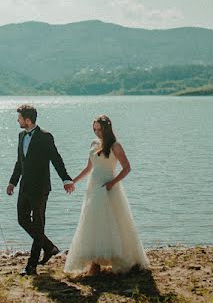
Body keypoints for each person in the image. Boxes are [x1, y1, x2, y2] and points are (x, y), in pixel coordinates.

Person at [63, 114, 149, 276]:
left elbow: (127, 168)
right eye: (94, 129)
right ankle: (95, 261)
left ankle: (118, 257)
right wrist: (73, 181)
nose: (97, 133)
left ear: (107, 128)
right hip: (94, 187)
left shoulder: (115, 146)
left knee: (113, 222)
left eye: (99, 129)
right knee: (93, 221)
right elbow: (89, 168)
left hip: (109, 187)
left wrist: (112, 182)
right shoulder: (94, 144)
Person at [6, 103, 74, 276]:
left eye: (19, 118)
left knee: (38, 224)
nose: (17, 120)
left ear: (27, 120)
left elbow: (56, 159)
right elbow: (19, 162)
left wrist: (66, 179)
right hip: (24, 187)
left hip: (40, 188)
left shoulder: (45, 137)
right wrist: (12, 182)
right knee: (22, 219)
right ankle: (49, 247)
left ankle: (31, 266)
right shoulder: (21, 135)